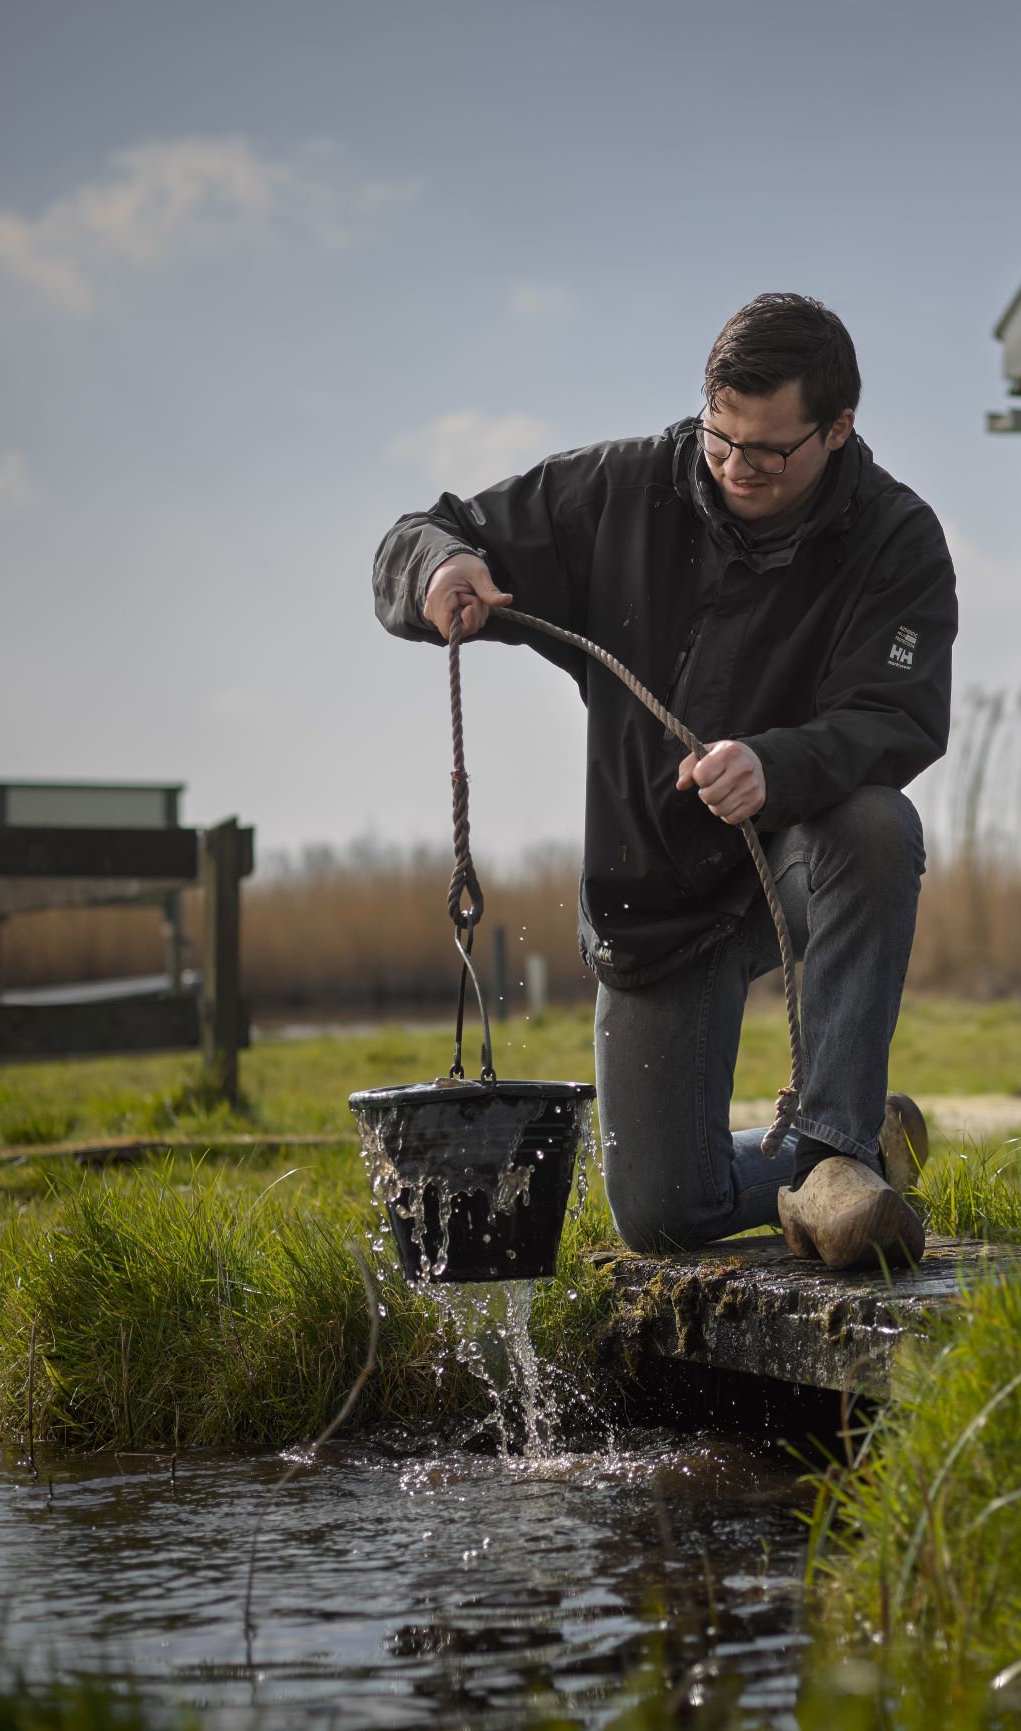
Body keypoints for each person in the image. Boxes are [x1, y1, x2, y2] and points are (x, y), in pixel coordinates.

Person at [371, 293, 954, 1271]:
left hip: (798, 861)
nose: (734, 466)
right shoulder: (618, 492)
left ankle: (838, 1150)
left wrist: (774, 766)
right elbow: (422, 531)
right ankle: (860, 1151)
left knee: (876, 824)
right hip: (656, 904)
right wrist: (443, 565)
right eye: (720, 436)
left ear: (839, 427)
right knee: (661, 1214)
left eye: (766, 450)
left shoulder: (895, 538)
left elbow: (893, 718)